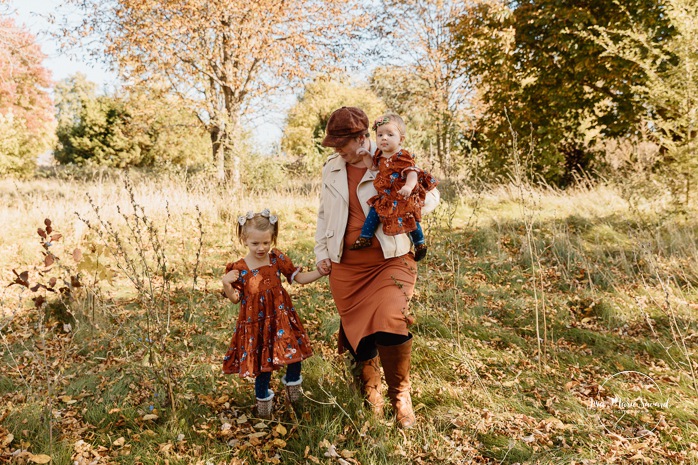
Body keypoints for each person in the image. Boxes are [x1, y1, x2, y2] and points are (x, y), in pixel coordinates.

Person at [315, 106, 437, 429]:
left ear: (361, 138)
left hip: (390, 260)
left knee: (390, 318)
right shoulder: (332, 168)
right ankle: (371, 396)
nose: (336, 150)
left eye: (341, 144)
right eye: (334, 145)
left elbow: (432, 197)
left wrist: (406, 197)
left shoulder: (391, 157)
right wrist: (321, 252)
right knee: (360, 333)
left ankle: (401, 398)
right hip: (347, 267)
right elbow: (324, 215)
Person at [221, 209, 326, 419]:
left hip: (281, 318)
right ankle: (264, 408)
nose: (261, 248)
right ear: (244, 240)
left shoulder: (277, 258)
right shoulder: (239, 269)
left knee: (293, 355)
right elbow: (234, 299)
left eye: (266, 243)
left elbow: (299, 278)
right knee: (263, 364)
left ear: (272, 239)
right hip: (256, 324)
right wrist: (226, 283)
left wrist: (321, 272)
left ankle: (294, 396)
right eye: (255, 244)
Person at [349, 113, 439, 262]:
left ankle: (419, 244)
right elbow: (373, 166)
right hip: (387, 194)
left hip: (402, 194)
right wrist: (365, 155)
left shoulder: (402, 156)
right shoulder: (380, 154)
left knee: (409, 218)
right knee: (375, 211)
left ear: (401, 139)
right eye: (380, 135)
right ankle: (365, 237)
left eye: (390, 134)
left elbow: (412, 172)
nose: (384, 138)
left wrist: (409, 187)